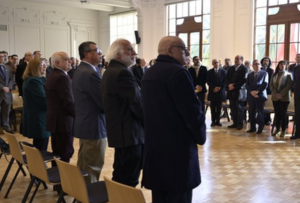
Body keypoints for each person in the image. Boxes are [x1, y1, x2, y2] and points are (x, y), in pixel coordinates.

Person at [141, 36, 206, 203]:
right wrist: (200, 137)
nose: (187, 54)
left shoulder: (150, 72)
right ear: (171, 50)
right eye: (184, 50)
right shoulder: (178, 72)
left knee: (160, 197)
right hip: (177, 154)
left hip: (155, 150)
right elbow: (192, 112)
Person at [101, 39, 144, 187]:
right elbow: (137, 104)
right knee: (129, 179)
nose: (134, 53)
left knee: (120, 174)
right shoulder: (122, 73)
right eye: (129, 50)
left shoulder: (110, 70)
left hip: (121, 132)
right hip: (129, 133)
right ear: (117, 54)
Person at [72, 41, 107, 183]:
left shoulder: (82, 70)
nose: (100, 53)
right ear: (86, 54)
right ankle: (87, 197)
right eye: (97, 50)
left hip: (86, 123)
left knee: (85, 164)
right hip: (93, 125)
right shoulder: (90, 73)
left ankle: (80, 194)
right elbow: (103, 102)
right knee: (92, 167)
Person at [45, 52, 75, 163]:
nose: (70, 61)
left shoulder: (53, 74)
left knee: (58, 152)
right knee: (64, 153)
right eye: (67, 59)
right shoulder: (62, 77)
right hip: (63, 120)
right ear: (57, 62)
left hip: (56, 120)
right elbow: (68, 102)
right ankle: (61, 178)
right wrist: (78, 116)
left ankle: (57, 176)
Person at [22, 58, 50, 151]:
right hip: (39, 118)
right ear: (34, 67)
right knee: (41, 149)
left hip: (37, 117)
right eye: (42, 65)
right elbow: (43, 101)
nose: (45, 66)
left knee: (40, 145)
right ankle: (38, 165)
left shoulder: (31, 79)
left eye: (45, 64)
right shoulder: (34, 81)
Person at [246, 59, 268, 134]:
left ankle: (260, 128)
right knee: (251, 112)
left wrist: (257, 92)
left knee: (260, 112)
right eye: (255, 64)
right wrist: (252, 92)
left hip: (260, 96)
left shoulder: (264, 73)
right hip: (251, 96)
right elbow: (247, 85)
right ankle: (252, 127)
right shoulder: (249, 75)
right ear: (253, 66)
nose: (257, 65)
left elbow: (265, 84)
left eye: (258, 64)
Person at [270, 60, 292, 137]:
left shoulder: (288, 75)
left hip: (284, 97)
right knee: (277, 114)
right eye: (281, 64)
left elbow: (288, 86)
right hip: (275, 97)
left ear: (286, 66)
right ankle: (277, 129)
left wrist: (281, 94)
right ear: (278, 65)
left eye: (284, 64)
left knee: (283, 114)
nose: (282, 65)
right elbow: (271, 85)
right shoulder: (274, 74)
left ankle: (283, 130)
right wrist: (276, 93)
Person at [226, 55, 248, 130]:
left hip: (239, 91)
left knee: (239, 108)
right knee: (233, 108)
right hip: (231, 91)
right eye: (235, 59)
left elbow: (244, 80)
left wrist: (234, 85)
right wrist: (229, 84)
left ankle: (240, 124)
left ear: (241, 60)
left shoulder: (244, 68)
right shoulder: (231, 68)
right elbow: (226, 78)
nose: (236, 60)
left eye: (237, 59)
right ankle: (234, 123)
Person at [206, 59, 227, 126]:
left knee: (219, 107)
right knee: (212, 107)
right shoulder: (209, 72)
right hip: (213, 91)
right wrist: (214, 87)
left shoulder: (224, 72)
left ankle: (218, 121)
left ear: (219, 63)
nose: (216, 64)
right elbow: (208, 81)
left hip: (220, 92)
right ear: (212, 64)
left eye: (217, 62)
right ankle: (213, 121)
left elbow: (225, 81)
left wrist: (220, 87)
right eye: (214, 63)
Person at [0, 53, 12, 132]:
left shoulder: (7, 67)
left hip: (7, 93)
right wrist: (2, 87)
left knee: (6, 112)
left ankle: (6, 128)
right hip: (0, 91)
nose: (2, 58)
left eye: (3, 57)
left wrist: (9, 87)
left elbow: (11, 79)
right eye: (0, 57)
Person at [261, 56, 274, 125]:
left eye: (267, 61)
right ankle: (262, 118)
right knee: (262, 105)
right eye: (264, 61)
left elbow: (271, 81)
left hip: (268, 90)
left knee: (268, 105)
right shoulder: (260, 69)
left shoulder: (271, 71)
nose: (265, 62)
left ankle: (268, 119)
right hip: (260, 90)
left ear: (269, 63)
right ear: (262, 62)